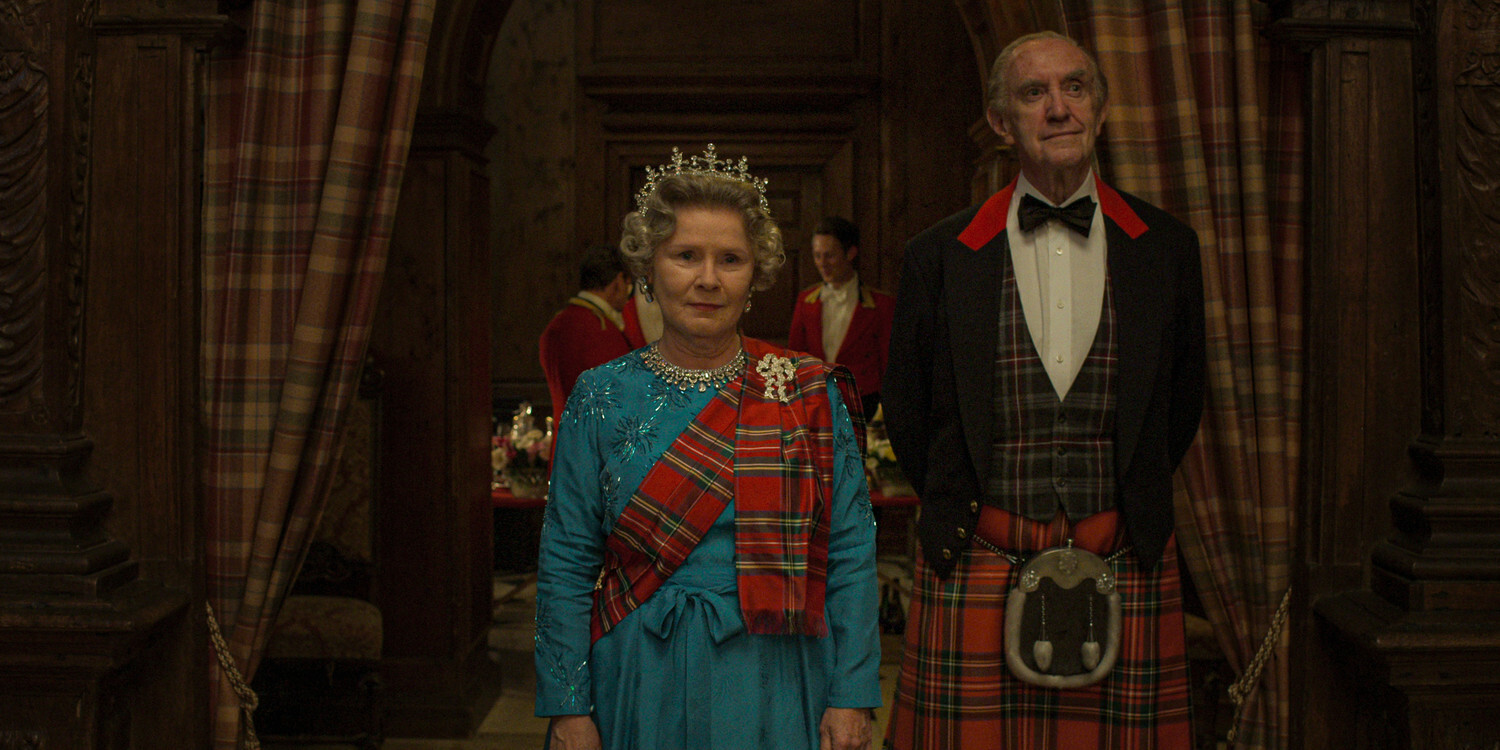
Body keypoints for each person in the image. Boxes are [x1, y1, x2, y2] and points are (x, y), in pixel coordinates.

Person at [882, 32, 1205, 748]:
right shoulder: (938, 255)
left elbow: (1181, 406)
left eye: (1075, 88)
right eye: (1035, 93)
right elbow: (907, 410)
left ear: (1101, 109)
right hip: (978, 557)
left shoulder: (1166, 248)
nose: (1059, 108)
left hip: (1122, 558)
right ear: (1002, 122)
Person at [535, 144, 882, 750]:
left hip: (777, 672)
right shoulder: (599, 395)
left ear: (755, 274)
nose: (708, 279)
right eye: (685, 256)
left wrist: (852, 691)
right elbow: (566, 558)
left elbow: (851, 550)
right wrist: (567, 707)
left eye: (731, 259)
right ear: (648, 267)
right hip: (638, 669)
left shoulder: (807, 392)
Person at [787, 217, 895, 421]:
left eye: (829, 255)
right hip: (815, 403)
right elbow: (795, 359)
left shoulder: (881, 305)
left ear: (850, 253)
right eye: (817, 255)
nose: (822, 263)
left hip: (864, 405)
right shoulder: (805, 301)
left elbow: (888, 364)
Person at [538, 244, 636, 428]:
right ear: (617, 282)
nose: (627, 295)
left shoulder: (557, 323)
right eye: (628, 285)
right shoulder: (601, 331)